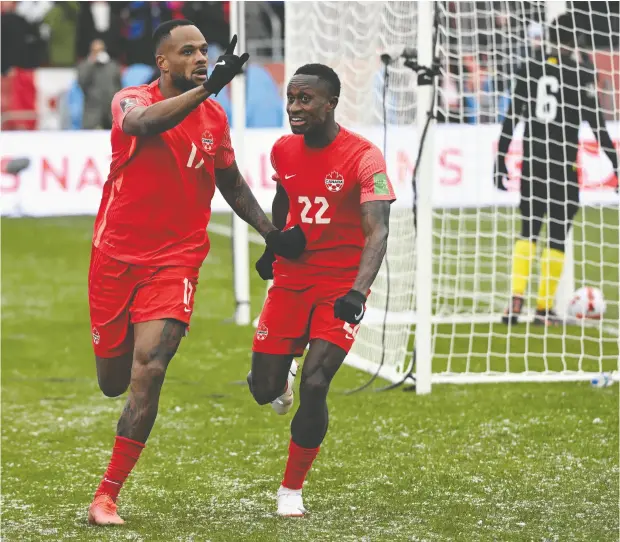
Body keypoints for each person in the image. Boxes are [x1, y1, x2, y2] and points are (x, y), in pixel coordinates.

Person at [87, 19, 305, 526]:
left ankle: (106, 496)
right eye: (188, 51)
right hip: (115, 260)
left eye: (205, 50)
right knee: (113, 381)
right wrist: (209, 87)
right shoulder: (130, 99)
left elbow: (229, 181)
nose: (201, 57)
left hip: (177, 261)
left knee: (152, 367)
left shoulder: (214, 117)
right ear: (162, 62)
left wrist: (271, 233)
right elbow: (144, 126)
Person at [248, 63, 396, 517]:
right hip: (292, 280)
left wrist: (358, 291)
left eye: (305, 100)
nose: (295, 108)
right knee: (261, 389)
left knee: (317, 383)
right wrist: (275, 242)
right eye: (291, 99)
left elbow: (378, 231)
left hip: (340, 287)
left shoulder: (364, 157)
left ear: (331, 103)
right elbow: (285, 194)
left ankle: (291, 490)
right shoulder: (282, 150)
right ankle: (282, 372)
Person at [494, 13, 618, 326]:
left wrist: (499, 159)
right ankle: (544, 310)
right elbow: (598, 127)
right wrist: (616, 164)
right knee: (558, 237)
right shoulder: (580, 73)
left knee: (528, 231)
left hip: (533, 164)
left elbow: (512, 118)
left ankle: (514, 303)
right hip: (563, 166)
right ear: (575, 40)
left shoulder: (529, 68)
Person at [77, 39, 122, 129]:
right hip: (93, 112)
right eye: (95, 51)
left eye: (101, 50)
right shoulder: (85, 66)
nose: (98, 53)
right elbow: (81, 83)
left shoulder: (113, 66)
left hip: (111, 113)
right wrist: (91, 63)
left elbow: (119, 86)